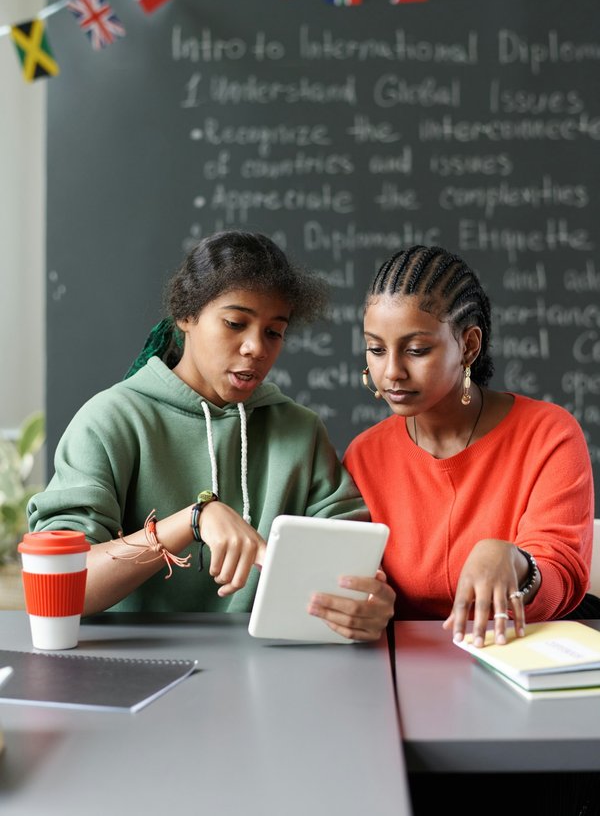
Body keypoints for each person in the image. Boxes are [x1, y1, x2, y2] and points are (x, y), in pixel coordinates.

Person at [27, 231, 395, 642]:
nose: (256, 347)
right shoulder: (109, 421)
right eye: (236, 323)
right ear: (186, 315)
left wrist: (365, 602)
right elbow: (58, 588)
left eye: (274, 332)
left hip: (271, 667)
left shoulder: (300, 430)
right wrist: (193, 519)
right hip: (135, 669)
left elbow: (347, 568)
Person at [343, 244, 595, 649]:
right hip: (405, 664)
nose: (391, 371)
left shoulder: (548, 434)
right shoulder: (364, 456)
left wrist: (517, 562)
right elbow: (357, 582)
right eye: (376, 349)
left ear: (469, 346)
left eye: (416, 350)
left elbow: (562, 577)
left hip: (521, 651)